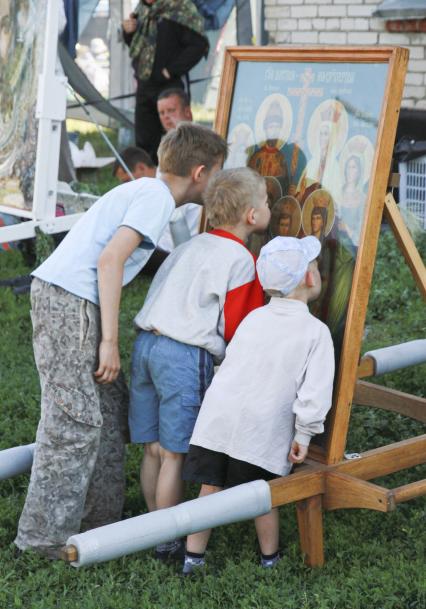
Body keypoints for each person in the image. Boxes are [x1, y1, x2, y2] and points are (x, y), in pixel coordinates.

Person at [14, 123, 227, 559]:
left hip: (78, 303)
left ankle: (101, 521)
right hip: (68, 302)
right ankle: (40, 541)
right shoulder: (155, 198)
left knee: (110, 414)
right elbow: (111, 260)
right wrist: (109, 341)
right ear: (201, 172)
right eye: (220, 172)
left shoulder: (148, 192)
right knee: (73, 422)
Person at [128, 167, 270, 561]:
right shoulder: (241, 260)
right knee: (175, 454)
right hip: (184, 355)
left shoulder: (191, 245)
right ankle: (167, 539)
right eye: (266, 202)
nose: (268, 208)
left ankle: (151, 526)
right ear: (252, 216)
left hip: (146, 345)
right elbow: (241, 329)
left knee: (154, 448)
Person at [182, 235, 335, 575]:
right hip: (262, 427)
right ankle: (269, 559)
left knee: (210, 487)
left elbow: (232, 362)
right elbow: (315, 393)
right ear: (310, 278)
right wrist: (305, 435)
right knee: (262, 496)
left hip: (218, 418)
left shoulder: (253, 318)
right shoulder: (316, 332)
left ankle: (193, 557)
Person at [122, 0, 208, 162]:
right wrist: (128, 32)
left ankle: (182, 175)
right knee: (145, 139)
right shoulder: (142, 10)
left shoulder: (180, 8)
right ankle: (149, 180)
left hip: (170, 86)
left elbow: (198, 45)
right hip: (145, 84)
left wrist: (171, 71)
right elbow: (138, 45)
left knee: (178, 135)